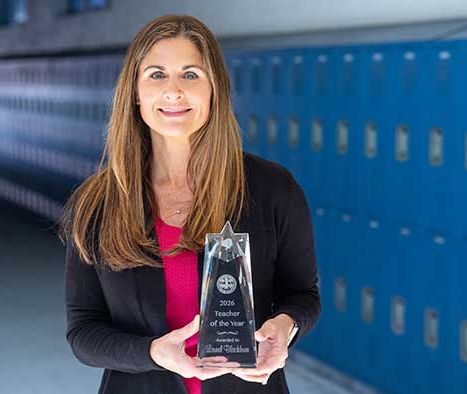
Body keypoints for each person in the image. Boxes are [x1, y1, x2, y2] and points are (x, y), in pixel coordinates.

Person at [58, 13, 320, 394]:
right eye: (157, 74)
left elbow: (303, 296)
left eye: (191, 75)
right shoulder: (98, 203)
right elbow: (83, 331)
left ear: (215, 89)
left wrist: (284, 327)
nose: (174, 91)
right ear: (135, 91)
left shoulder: (270, 188)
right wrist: (152, 353)